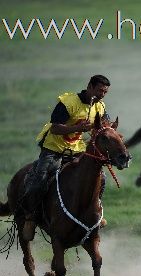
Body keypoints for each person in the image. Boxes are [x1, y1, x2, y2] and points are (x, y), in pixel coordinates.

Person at [20, 75, 111, 240]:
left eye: (105, 92)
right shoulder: (68, 102)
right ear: (90, 86)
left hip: (76, 149)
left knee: (100, 177)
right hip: (54, 149)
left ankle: (95, 212)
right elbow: (54, 128)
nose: (102, 94)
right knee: (40, 179)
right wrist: (78, 127)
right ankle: (30, 217)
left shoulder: (100, 106)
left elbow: (106, 126)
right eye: (99, 90)